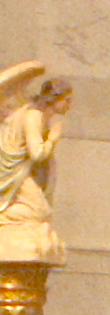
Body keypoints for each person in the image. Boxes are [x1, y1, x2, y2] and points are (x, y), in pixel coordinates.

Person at [0, 78, 72, 228]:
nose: (69, 105)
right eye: (67, 100)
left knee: (42, 211)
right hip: (14, 173)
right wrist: (52, 138)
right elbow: (37, 154)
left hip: (22, 171)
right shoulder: (34, 116)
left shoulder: (40, 116)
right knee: (37, 212)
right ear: (55, 98)